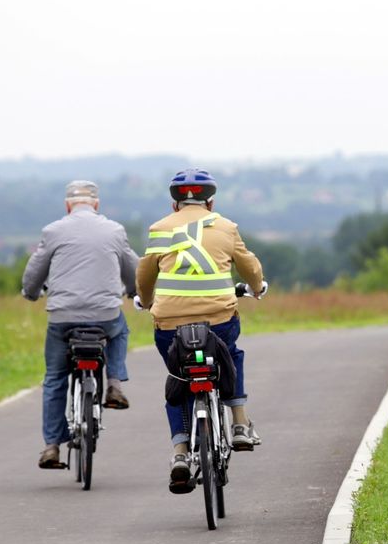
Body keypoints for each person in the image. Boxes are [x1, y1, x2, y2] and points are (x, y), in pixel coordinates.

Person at [136, 168, 266, 494]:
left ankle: (180, 454)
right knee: (231, 354)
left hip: (170, 325)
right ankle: (238, 422)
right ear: (211, 201)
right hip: (218, 321)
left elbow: (145, 274)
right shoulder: (225, 226)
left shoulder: (160, 229)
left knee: (179, 378)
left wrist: (146, 300)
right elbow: (249, 265)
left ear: (174, 204)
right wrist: (257, 287)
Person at [22, 180, 138, 469]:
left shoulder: (53, 231)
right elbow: (133, 269)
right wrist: (136, 291)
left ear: (67, 206)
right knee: (120, 329)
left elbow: (34, 273)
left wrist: (32, 293)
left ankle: (51, 446)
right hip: (106, 315)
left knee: (54, 378)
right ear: (96, 205)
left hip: (63, 318)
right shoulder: (114, 230)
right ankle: (114, 384)